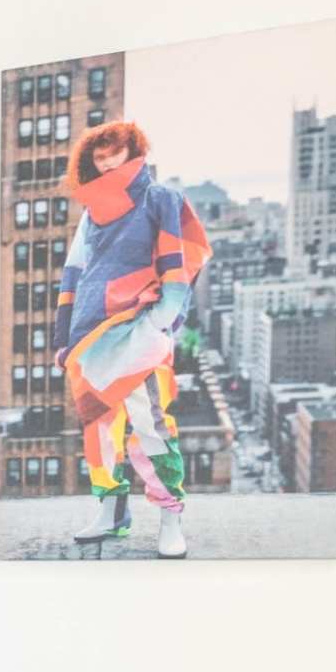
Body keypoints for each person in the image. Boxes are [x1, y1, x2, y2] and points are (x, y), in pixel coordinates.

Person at [56, 117, 210, 558]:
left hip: (138, 332)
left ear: (134, 153)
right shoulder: (91, 213)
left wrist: (159, 321)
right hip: (91, 336)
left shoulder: (161, 198)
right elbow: (75, 273)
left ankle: (169, 516)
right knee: (99, 430)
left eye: (114, 156)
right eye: (98, 159)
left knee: (151, 428)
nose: (106, 165)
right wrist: (63, 337)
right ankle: (111, 513)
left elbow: (177, 265)